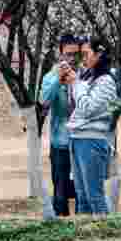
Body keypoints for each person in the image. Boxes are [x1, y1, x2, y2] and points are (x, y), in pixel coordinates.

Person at [65, 36, 120, 216]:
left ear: (99, 54)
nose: (83, 58)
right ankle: (84, 236)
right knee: (81, 196)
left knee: (94, 195)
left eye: (86, 54)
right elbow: (79, 107)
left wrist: (75, 83)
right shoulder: (88, 78)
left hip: (92, 141)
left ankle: (103, 236)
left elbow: (88, 108)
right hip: (77, 138)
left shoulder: (106, 81)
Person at [39, 33, 82, 216]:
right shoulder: (50, 76)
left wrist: (76, 82)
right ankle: (61, 228)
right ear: (61, 53)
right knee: (60, 192)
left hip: (82, 141)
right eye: (68, 54)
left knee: (82, 189)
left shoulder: (83, 75)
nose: (72, 59)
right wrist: (58, 79)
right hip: (61, 143)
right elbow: (43, 101)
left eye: (76, 54)